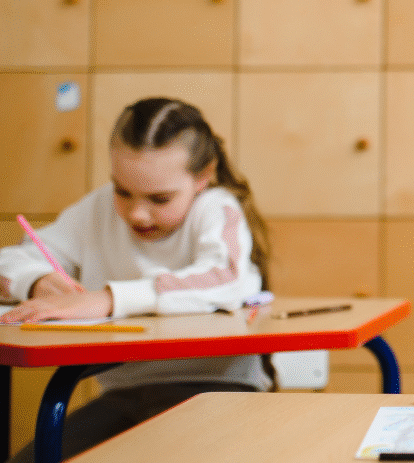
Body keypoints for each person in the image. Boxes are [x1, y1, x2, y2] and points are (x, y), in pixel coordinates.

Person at [0, 97, 273, 462]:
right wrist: (37, 282)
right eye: (122, 191)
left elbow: (226, 278)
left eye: (159, 198)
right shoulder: (97, 210)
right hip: (125, 393)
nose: (137, 213)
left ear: (203, 177)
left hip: (219, 388)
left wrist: (108, 299)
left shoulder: (216, 207)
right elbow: (10, 261)